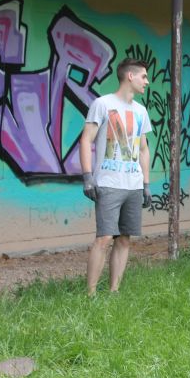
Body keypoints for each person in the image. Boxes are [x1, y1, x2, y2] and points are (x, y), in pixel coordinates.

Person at [79, 58, 153, 296]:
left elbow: (143, 149)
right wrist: (87, 177)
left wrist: (146, 185)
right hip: (108, 184)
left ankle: (114, 292)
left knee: (124, 239)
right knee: (104, 238)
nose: (147, 81)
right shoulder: (102, 104)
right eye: (144, 76)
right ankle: (90, 294)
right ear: (130, 76)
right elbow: (85, 140)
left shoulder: (141, 111)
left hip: (133, 186)